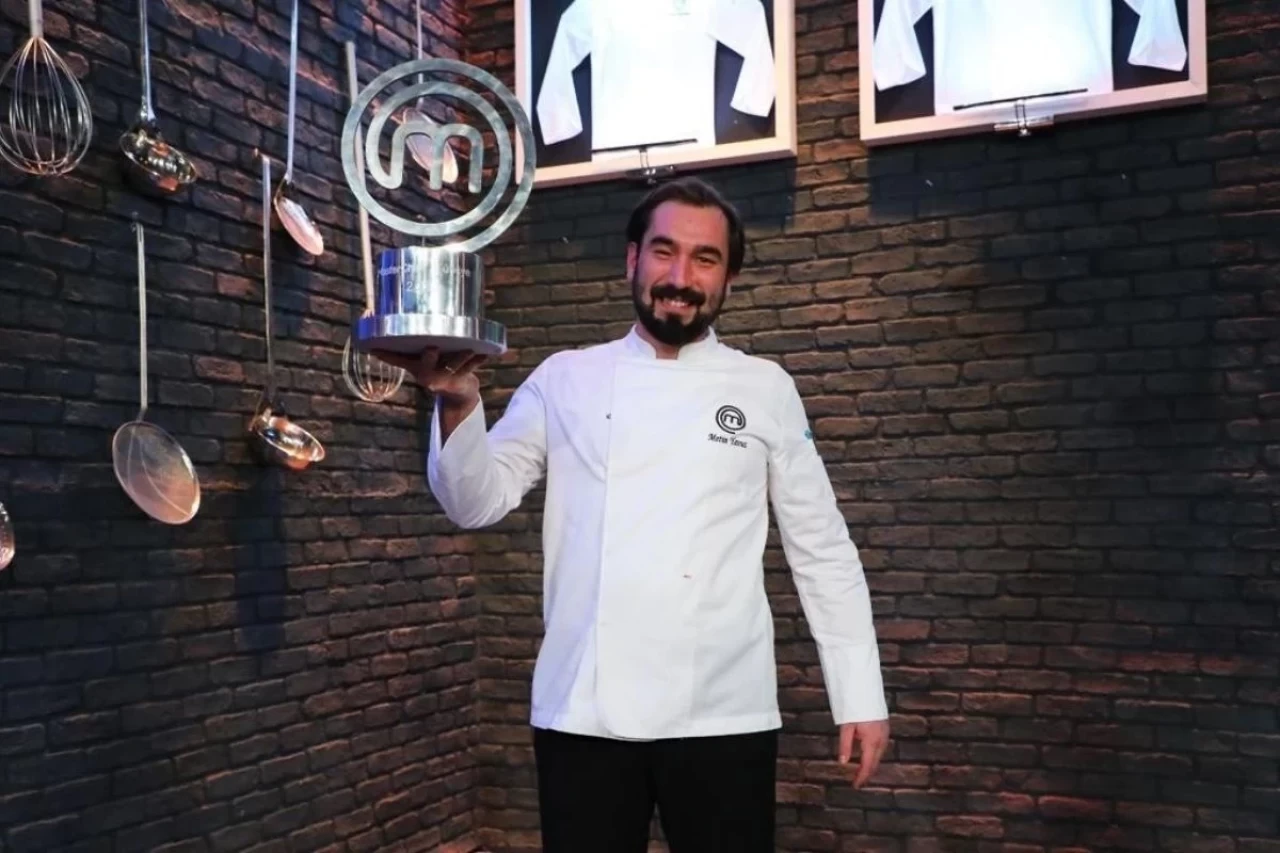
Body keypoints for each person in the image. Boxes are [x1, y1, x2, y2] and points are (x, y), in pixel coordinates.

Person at [373, 176, 890, 853]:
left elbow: (822, 548)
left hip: (723, 712)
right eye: (664, 251)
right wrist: (459, 403)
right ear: (632, 259)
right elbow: (475, 502)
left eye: (705, 259)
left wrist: (860, 694)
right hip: (583, 710)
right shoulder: (565, 378)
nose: (680, 277)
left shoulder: (765, 388)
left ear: (729, 278)